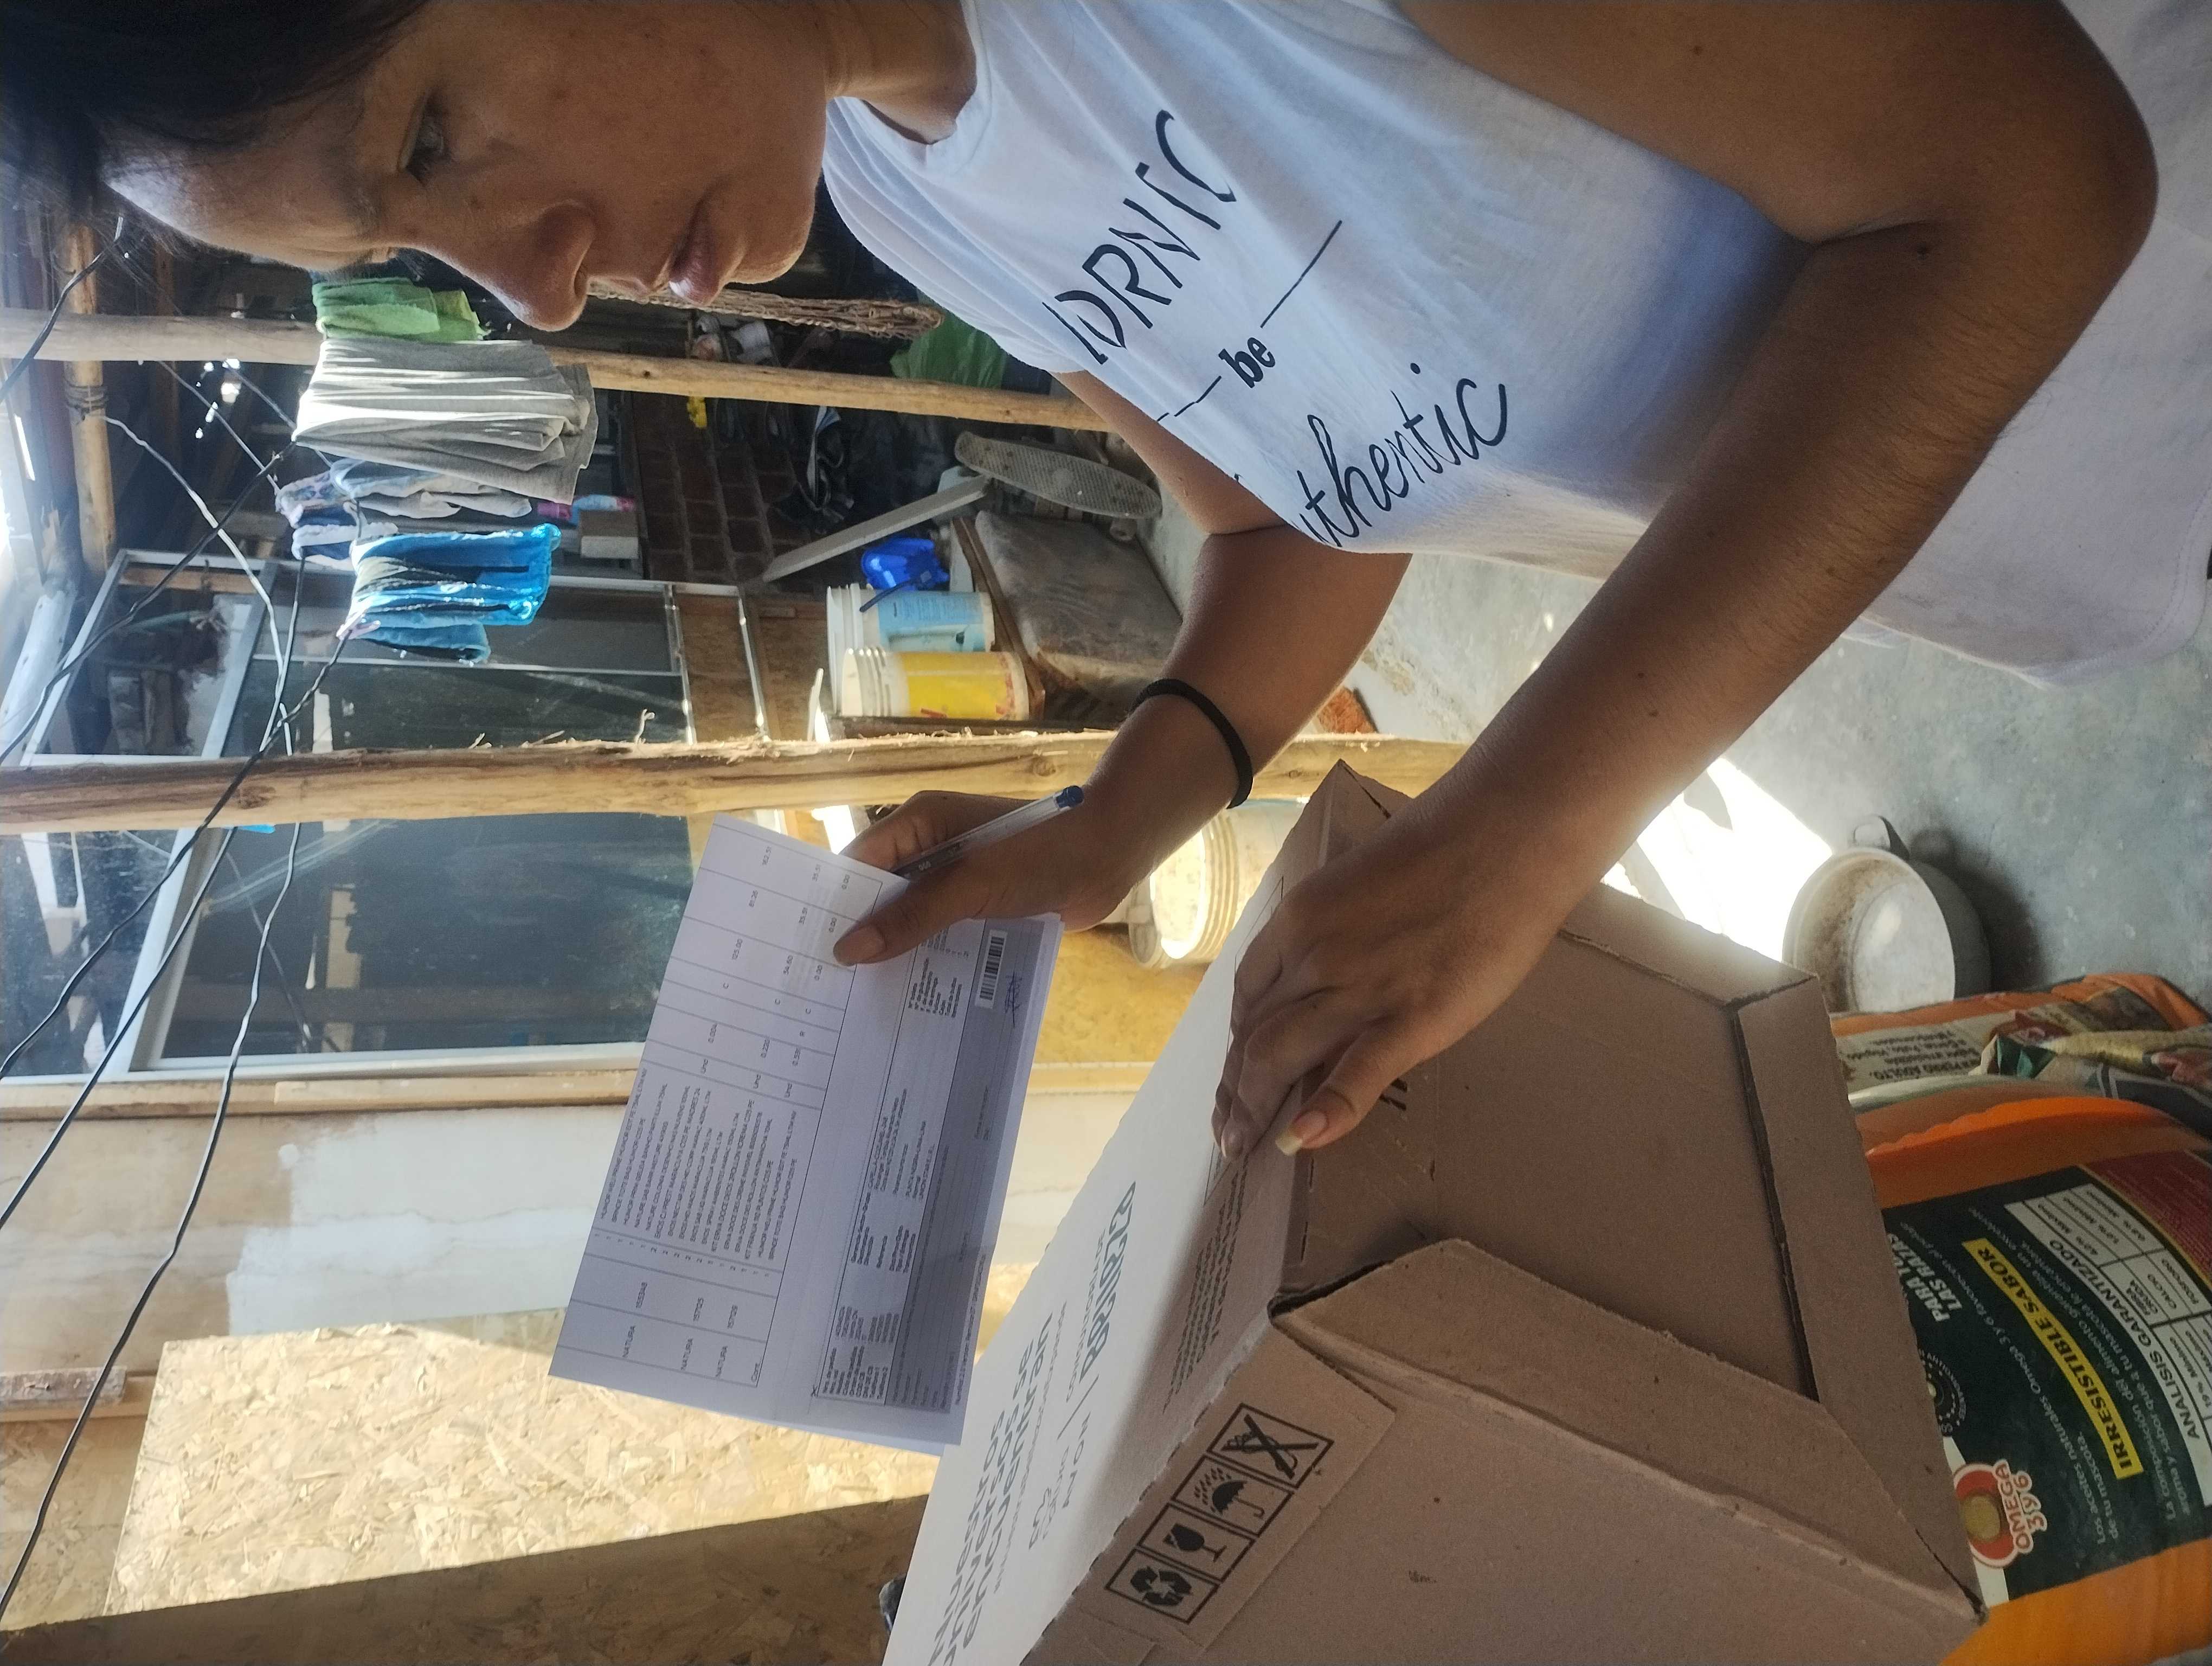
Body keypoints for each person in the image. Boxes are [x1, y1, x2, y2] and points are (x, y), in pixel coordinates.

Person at [9, 2, 2204, 1162]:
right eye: (409, 256)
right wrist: (1120, 814)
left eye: (431, 139)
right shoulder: (902, 171)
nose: (538, 291)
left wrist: (1519, 837)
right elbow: (1300, 511)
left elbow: (2017, 187)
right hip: (2092, 540)